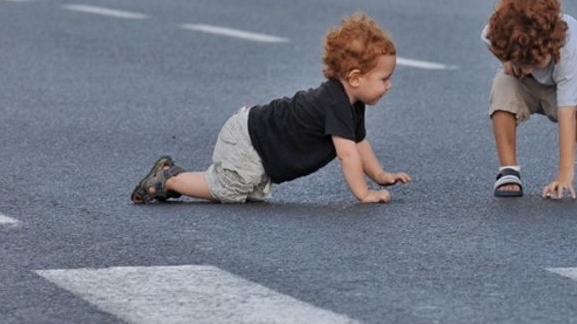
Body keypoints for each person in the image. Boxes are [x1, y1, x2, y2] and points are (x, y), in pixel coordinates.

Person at [129, 13, 409, 205]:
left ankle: (171, 176)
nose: (389, 86)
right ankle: (169, 179)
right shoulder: (335, 102)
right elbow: (347, 154)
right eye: (384, 79)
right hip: (249, 139)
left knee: (248, 194)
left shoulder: (352, 104)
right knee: (228, 190)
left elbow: (359, 143)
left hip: (258, 141)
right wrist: (364, 194)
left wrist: (381, 176)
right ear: (356, 77)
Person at [483, 0, 577, 199]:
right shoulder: (499, 30)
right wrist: (507, 61)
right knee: (502, 87)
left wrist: (565, 175)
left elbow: (567, 114)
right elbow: (488, 40)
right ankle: (508, 170)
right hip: (521, 84)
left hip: (561, 85)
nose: (527, 69)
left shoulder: (566, 51)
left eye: (534, 63)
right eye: (522, 62)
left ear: (550, 46)